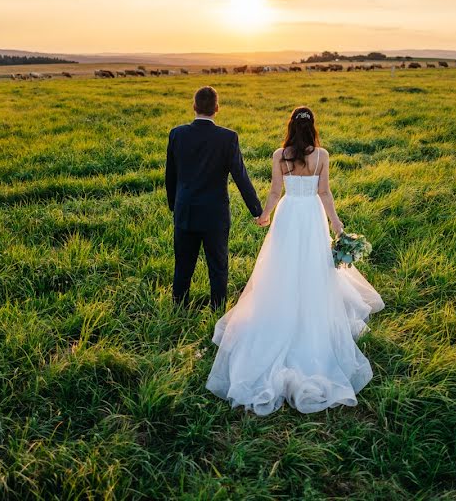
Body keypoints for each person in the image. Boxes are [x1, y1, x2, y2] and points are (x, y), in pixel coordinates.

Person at [205, 106, 384, 415]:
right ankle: (308, 314)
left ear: (290, 127)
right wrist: (337, 226)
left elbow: (275, 191)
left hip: (289, 214)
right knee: (312, 269)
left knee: (281, 268)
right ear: (313, 127)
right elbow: (325, 193)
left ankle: (281, 311)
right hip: (311, 214)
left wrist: (265, 215)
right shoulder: (322, 155)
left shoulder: (280, 154)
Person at [165, 86, 263, 307]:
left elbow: (170, 174)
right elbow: (241, 176)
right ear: (217, 108)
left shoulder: (177, 134)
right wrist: (257, 211)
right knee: (218, 266)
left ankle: (179, 308)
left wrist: (174, 205)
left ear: (194, 106)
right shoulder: (228, 138)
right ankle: (217, 310)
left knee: (183, 264)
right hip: (215, 215)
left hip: (185, 210)